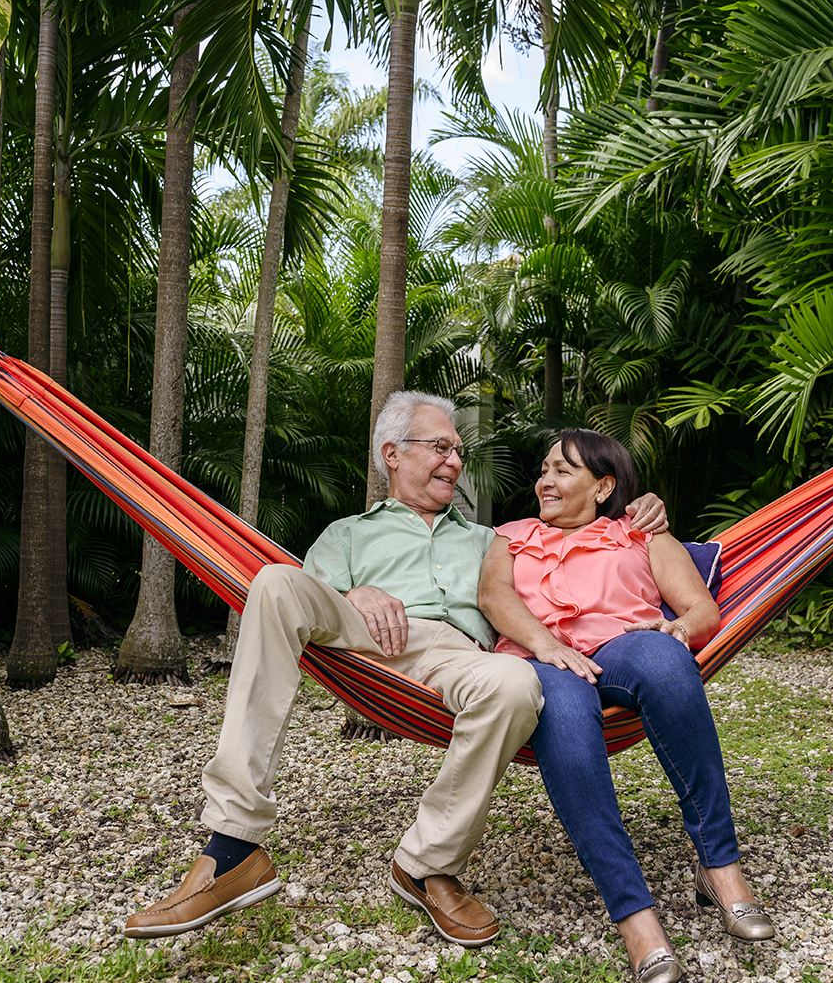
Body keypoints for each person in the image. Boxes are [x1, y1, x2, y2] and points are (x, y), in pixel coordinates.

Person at [125, 394, 667, 948]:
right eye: (439, 447)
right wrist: (355, 593)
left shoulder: (493, 539)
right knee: (272, 582)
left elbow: (582, 536)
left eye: (458, 450)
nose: (454, 461)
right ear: (393, 453)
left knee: (517, 683)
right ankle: (232, 848)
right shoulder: (348, 534)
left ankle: (427, 863)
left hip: (458, 655)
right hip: (362, 643)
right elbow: (306, 602)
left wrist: (637, 505)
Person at [478, 429, 774, 983]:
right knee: (561, 710)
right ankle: (636, 919)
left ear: (603, 485)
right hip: (542, 656)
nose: (546, 480)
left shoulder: (639, 530)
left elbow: (700, 609)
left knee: (664, 660)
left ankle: (721, 869)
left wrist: (676, 630)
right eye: (544, 470)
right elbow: (495, 598)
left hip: (623, 644)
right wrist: (544, 644)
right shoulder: (509, 536)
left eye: (563, 471)